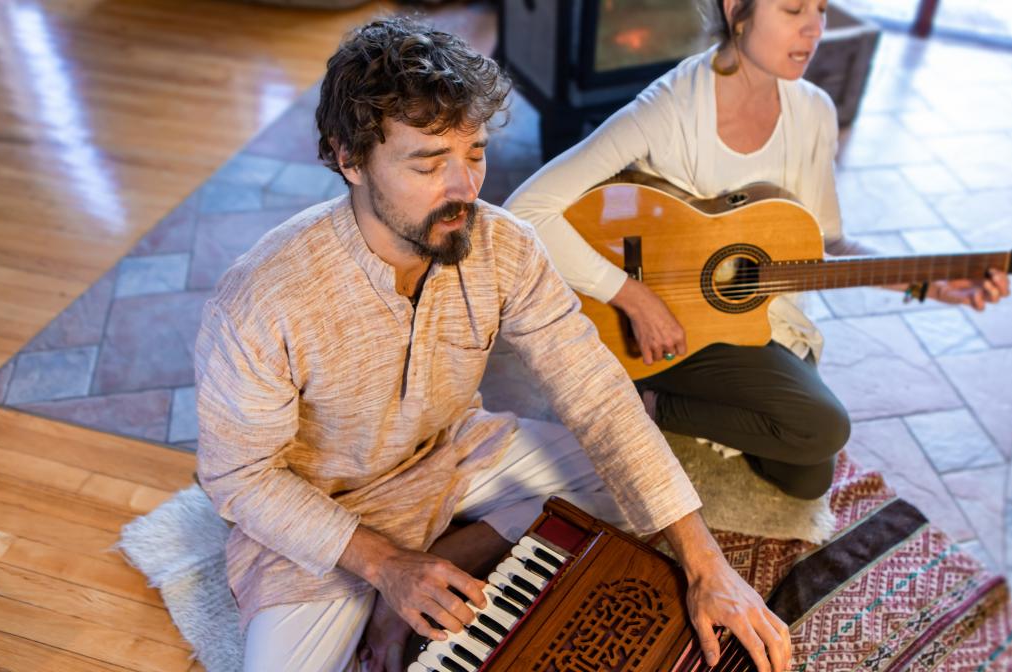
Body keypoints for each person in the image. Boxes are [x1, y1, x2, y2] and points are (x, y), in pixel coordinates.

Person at [194, 18, 791, 672]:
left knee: (639, 490)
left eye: (474, 154)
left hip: (453, 455)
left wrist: (707, 567)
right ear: (350, 159)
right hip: (325, 507)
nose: (465, 190)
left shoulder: (505, 246)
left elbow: (596, 395)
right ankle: (404, 577)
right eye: (429, 164)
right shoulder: (262, 298)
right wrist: (387, 565)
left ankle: (450, 553)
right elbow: (239, 477)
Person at [505, 0, 1009, 501]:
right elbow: (527, 209)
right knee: (824, 426)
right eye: (793, 10)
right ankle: (647, 394)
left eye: (820, 9)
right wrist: (634, 297)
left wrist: (931, 283)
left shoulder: (813, 111)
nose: (814, 29)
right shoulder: (670, 108)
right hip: (657, 324)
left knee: (807, 476)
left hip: (753, 318)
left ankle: (647, 402)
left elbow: (829, 243)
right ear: (736, 10)